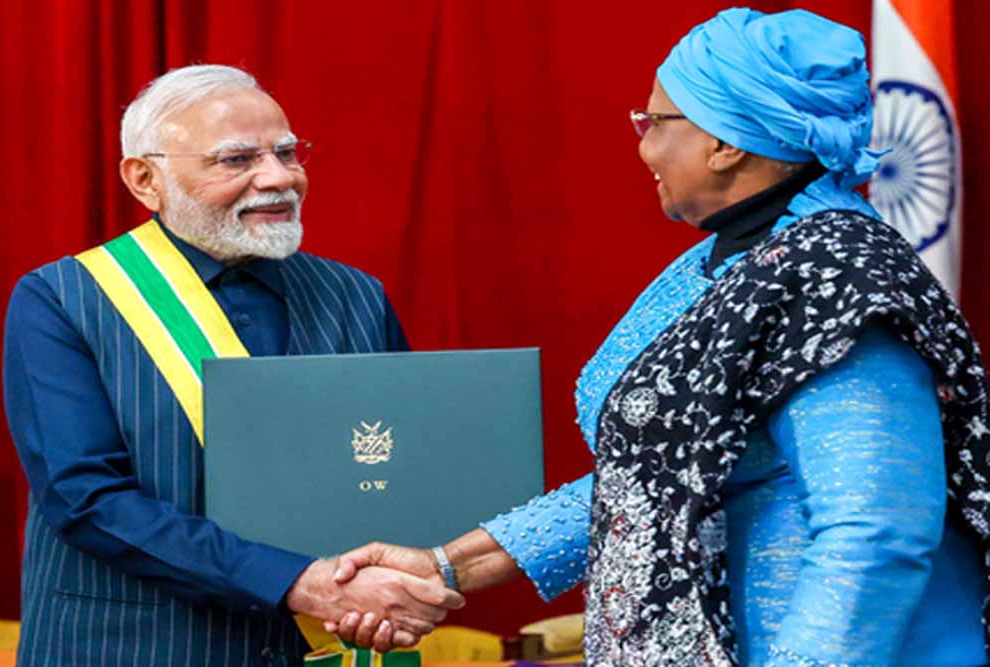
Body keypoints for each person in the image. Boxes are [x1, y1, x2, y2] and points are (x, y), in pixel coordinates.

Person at [329, 8, 990, 666]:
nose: (644, 146)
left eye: (655, 122)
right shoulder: (739, 254)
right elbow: (657, 476)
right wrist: (445, 565)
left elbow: (877, 531)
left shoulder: (836, 274)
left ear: (725, 143)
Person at [3, 64, 463, 666]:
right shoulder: (64, 299)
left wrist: (406, 574)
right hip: (136, 646)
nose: (278, 178)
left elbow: (399, 470)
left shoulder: (356, 295)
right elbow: (85, 498)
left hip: (327, 646)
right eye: (236, 159)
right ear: (145, 179)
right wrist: (298, 583)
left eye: (287, 153)